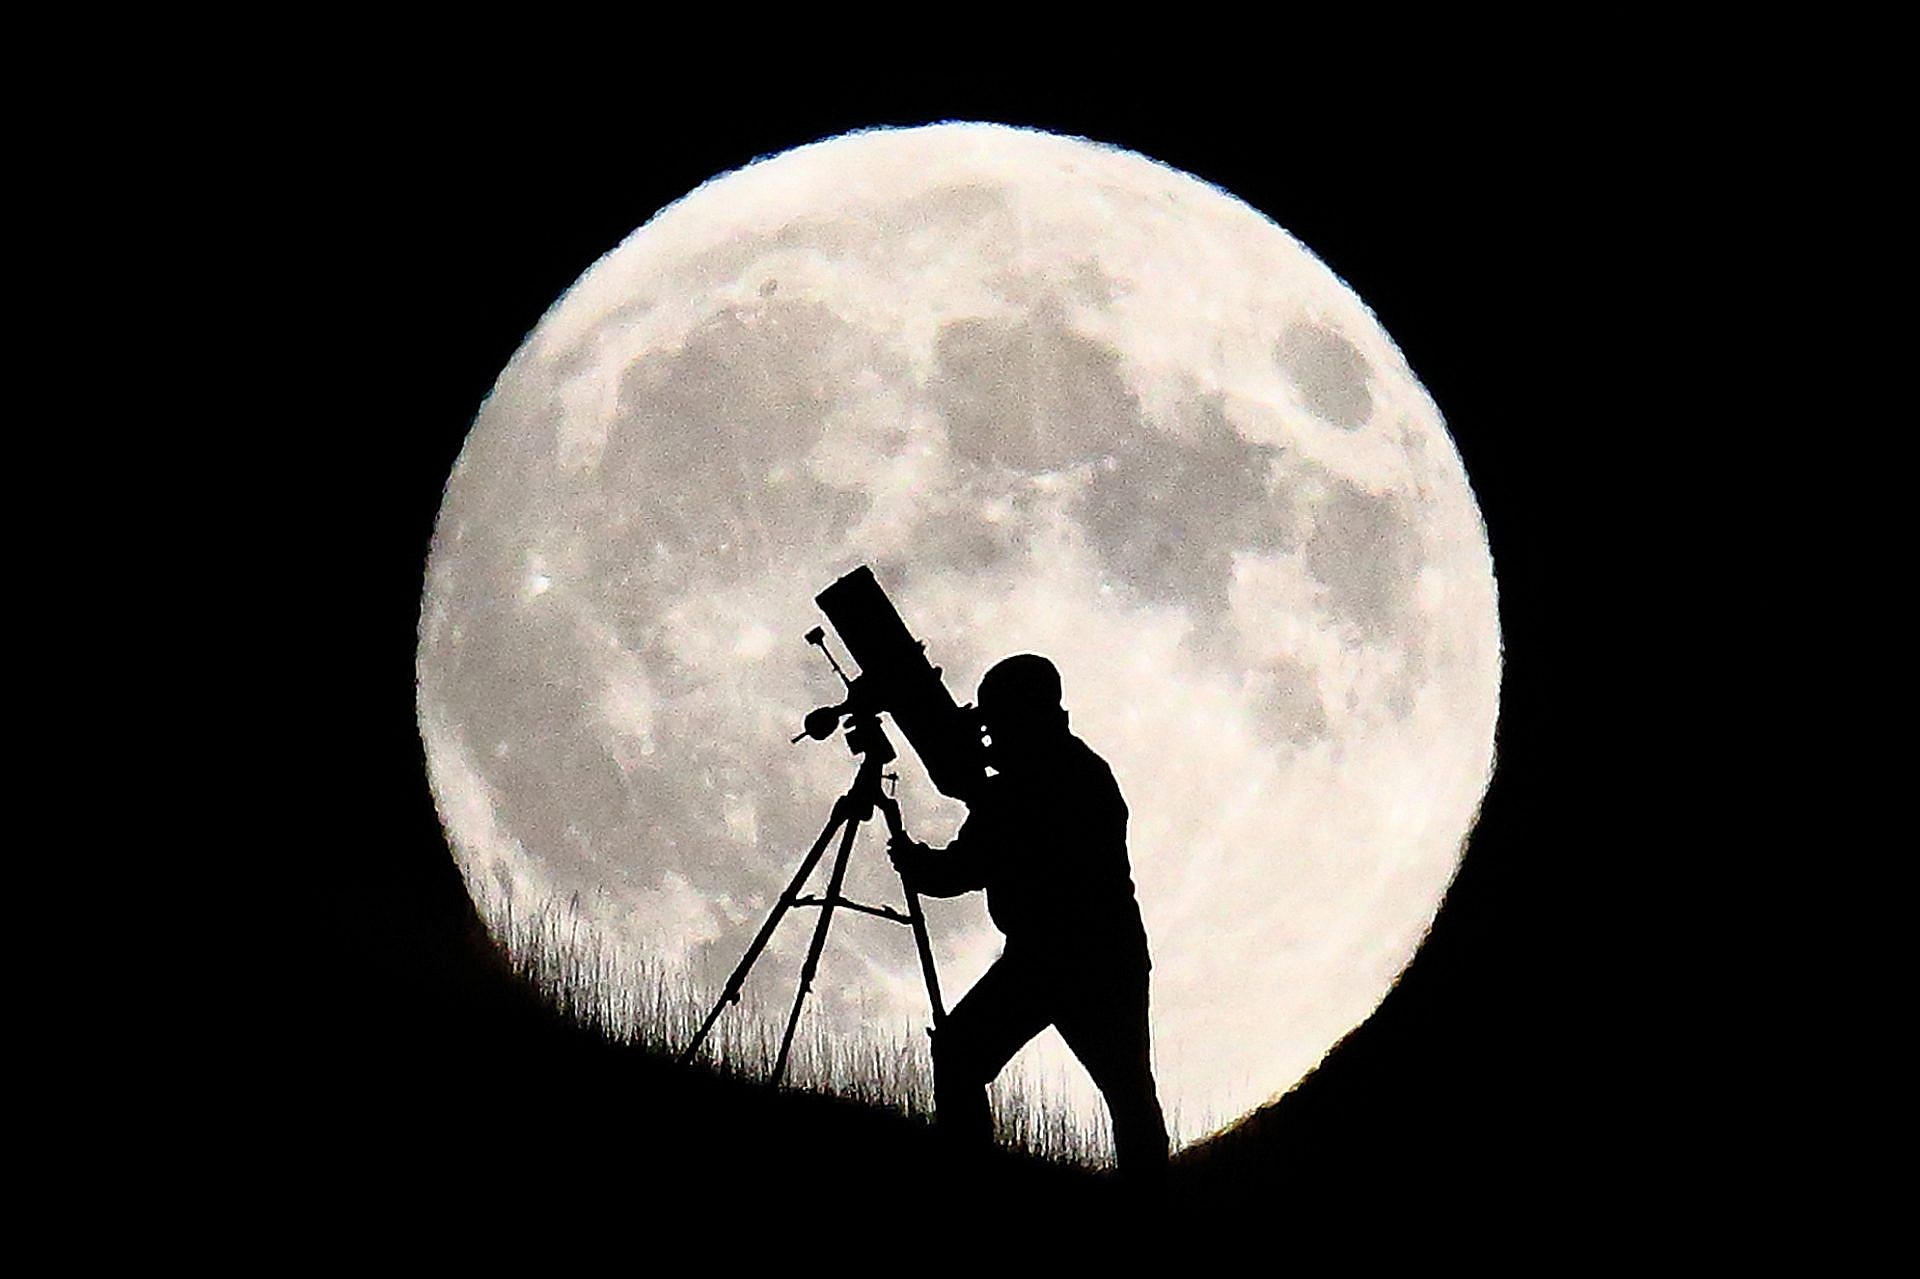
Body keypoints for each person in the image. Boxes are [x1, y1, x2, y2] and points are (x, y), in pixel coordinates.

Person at [888, 653, 1170, 1178]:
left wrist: (915, 859)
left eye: (994, 718)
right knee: (1129, 1091)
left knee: (963, 1056)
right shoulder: (1074, 769)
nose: (988, 731)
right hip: (1096, 953)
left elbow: (959, 871)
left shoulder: (1034, 784)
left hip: (1061, 958)